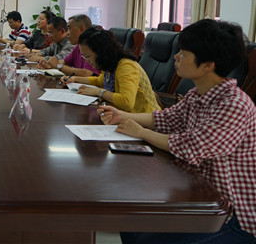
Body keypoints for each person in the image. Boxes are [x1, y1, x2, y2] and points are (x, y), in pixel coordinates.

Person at [99, 19, 255, 243]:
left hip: (232, 215)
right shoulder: (196, 94)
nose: (176, 57)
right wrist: (122, 116)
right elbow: (164, 119)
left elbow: (192, 145)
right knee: (130, 220)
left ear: (207, 64)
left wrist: (140, 132)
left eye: (184, 53)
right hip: (196, 195)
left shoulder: (234, 104)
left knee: (145, 238)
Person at [62, 28, 160, 113]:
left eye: (87, 56)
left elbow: (127, 102)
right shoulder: (109, 64)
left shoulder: (126, 66)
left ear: (101, 53)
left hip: (144, 120)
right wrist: (74, 79)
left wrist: (98, 92)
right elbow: (101, 81)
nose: (86, 60)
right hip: (123, 115)